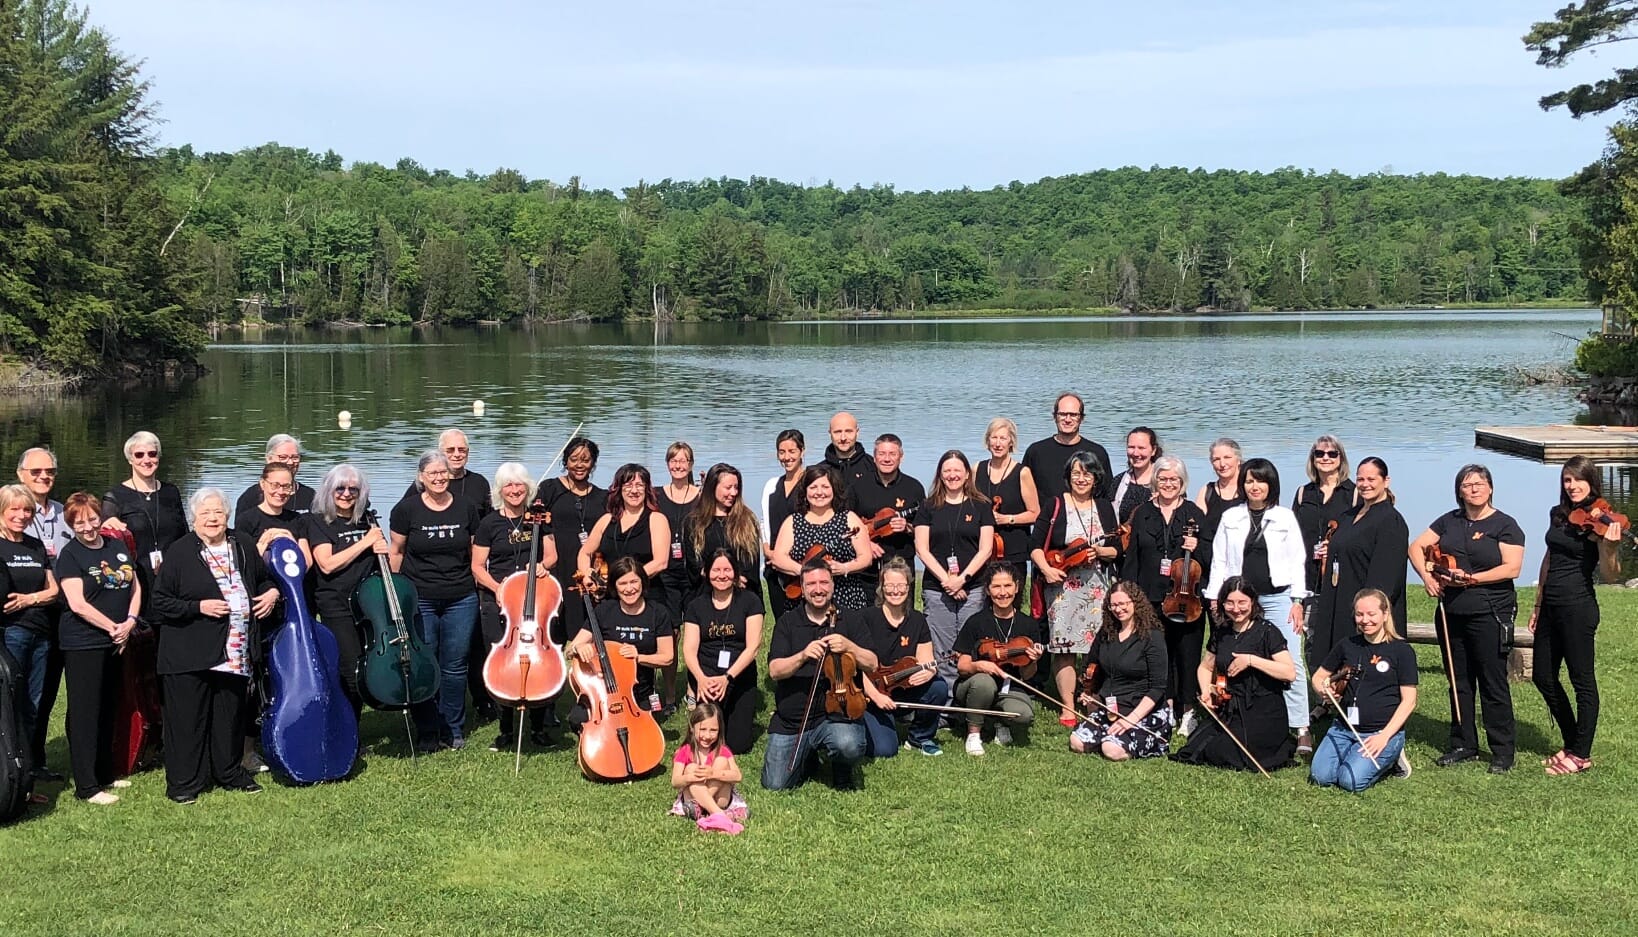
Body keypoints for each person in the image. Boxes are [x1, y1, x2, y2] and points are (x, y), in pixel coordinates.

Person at [152, 488, 278, 804]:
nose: (212, 518)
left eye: (218, 512)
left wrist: (273, 592)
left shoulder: (242, 544)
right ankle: (184, 783)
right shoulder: (180, 552)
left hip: (235, 651)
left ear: (227, 515)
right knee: (188, 720)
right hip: (189, 652)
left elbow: (263, 579)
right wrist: (198, 607)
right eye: (206, 513)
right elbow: (161, 601)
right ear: (195, 517)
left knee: (229, 717)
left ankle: (229, 772)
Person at [1409, 464, 1525, 773]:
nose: (1473, 489)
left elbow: (1512, 568)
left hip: (1490, 611)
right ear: (1459, 490)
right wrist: (1427, 578)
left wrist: (1473, 579)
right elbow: (1416, 547)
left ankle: (1502, 750)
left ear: (1490, 488)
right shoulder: (1449, 521)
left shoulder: (1504, 524)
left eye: (1479, 483)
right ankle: (1463, 743)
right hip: (1451, 612)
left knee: (1492, 681)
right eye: (1466, 484)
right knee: (1458, 682)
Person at [1204, 457, 1312, 755]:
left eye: (1260, 481)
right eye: (1249, 481)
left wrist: (1298, 600)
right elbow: (1220, 561)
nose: (1254, 486)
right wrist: (1216, 597)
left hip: (1279, 597)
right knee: (1230, 654)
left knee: (1290, 659)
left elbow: (1297, 560)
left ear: (1271, 485)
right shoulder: (1231, 517)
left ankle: (1301, 727)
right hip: (1239, 599)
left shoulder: (1285, 517)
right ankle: (1235, 712)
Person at [1530, 456, 1621, 776]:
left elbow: (1611, 575)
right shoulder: (1559, 514)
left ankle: (1580, 755)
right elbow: (1549, 558)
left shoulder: (1602, 522)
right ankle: (1572, 742)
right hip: (1551, 606)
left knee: (1582, 681)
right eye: (1567, 480)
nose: (1572, 486)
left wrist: (1609, 548)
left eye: (1577, 480)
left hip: (1578, 606)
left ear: (1591, 481)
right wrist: (1538, 604)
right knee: (1542, 675)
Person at [53, 493, 143, 804]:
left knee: (109, 707)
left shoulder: (115, 545)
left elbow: (134, 585)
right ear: (71, 525)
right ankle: (87, 786)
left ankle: (105, 773)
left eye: (92, 519)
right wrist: (111, 627)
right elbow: (77, 603)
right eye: (80, 522)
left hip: (118, 639)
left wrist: (130, 620)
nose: (88, 526)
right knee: (85, 712)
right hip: (84, 642)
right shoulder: (70, 555)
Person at [390, 451, 481, 751]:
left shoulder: (466, 508)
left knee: (455, 666)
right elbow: (397, 553)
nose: (440, 477)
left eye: (443, 472)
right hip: (421, 598)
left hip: (461, 597)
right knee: (424, 663)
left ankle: (453, 728)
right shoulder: (406, 510)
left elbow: (474, 553)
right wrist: (396, 594)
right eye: (433, 473)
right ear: (421, 477)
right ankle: (428, 729)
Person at [760, 561, 877, 791]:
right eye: (811, 584)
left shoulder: (850, 619)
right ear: (802, 589)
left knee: (848, 744)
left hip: (837, 715)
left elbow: (872, 663)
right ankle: (809, 757)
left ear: (833, 585)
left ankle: (841, 769)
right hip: (794, 721)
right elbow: (774, 670)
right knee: (775, 784)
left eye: (824, 582)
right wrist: (802, 656)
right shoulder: (787, 622)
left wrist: (850, 646)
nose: (818, 589)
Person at [471, 462, 559, 751]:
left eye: (519, 484)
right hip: (499, 603)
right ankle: (505, 730)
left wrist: (543, 567)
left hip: (534, 602)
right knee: (501, 664)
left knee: (538, 661)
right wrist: (500, 590)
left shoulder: (540, 519)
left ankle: (538, 728)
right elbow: (477, 566)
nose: (515, 490)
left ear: (528, 488)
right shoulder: (489, 524)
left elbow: (551, 555)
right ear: (499, 490)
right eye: (508, 485)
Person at [1122, 455, 1211, 734]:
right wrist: (1130, 594)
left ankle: (1188, 710)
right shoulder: (1143, 513)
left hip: (1187, 598)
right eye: (1162, 478)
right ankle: (1166, 706)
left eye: (1174, 479)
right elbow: (1133, 557)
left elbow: (1211, 557)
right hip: (1151, 596)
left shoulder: (1194, 513)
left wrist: (1196, 546)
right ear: (1154, 481)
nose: (1168, 484)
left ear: (1182, 482)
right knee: (1160, 654)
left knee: (1187, 654)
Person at [1029, 452, 1119, 726]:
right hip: (1062, 585)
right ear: (1068, 477)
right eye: (1076, 474)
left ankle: (1091, 697)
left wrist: (1101, 551)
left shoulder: (1104, 507)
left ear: (1096, 479)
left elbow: (1117, 549)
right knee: (1065, 646)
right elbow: (1035, 546)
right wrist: (1046, 570)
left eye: (1087, 474)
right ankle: (1068, 705)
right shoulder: (1055, 505)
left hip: (1097, 586)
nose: (1081, 479)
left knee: (1098, 646)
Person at [1171, 577, 1297, 772]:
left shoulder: (1268, 631)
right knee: (1196, 745)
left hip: (1263, 710)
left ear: (1253, 602)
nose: (1236, 609)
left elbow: (1289, 672)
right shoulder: (1222, 632)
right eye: (1230, 602)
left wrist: (1251, 660)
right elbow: (1205, 667)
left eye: (1242, 602)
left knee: (1225, 751)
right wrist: (1205, 691)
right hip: (1230, 707)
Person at [1310, 588, 1418, 793]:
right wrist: (1323, 691)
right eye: (1360, 614)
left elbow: (1409, 701)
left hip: (1380, 732)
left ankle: (1393, 756)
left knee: (1350, 781)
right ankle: (1353, 752)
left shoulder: (1402, 651)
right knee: (1320, 777)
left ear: (1385, 614)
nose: (1365, 620)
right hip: (1344, 728)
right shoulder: (1347, 645)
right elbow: (1318, 677)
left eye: (1371, 614)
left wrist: (1384, 736)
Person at [1308, 457, 1407, 674]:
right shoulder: (1348, 515)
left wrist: (1369, 611)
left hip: (1365, 601)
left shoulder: (1390, 520)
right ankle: (1329, 699)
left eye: (1371, 479)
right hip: (1339, 596)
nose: (1365, 484)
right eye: (1360, 479)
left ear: (1386, 481)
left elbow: (1387, 575)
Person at [301, 464, 381, 717]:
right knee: (350, 668)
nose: (346, 494)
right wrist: (366, 543)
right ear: (328, 490)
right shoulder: (319, 522)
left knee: (366, 664)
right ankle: (346, 728)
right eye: (340, 488)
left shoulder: (366, 520)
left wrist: (380, 547)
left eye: (353, 490)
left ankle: (355, 725)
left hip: (368, 604)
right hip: (337, 604)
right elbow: (326, 564)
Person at [914, 450, 996, 693]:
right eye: (947, 470)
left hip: (974, 585)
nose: (952, 475)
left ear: (967, 474)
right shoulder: (928, 506)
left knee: (969, 644)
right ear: (940, 473)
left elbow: (985, 548)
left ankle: (969, 695)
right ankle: (947, 701)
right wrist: (947, 581)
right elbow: (922, 548)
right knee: (942, 646)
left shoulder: (981, 506)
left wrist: (962, 579)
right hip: (937, 588)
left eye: (957, 470)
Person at [0, 484, 59, 792]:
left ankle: (31, 767)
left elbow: (54, 590)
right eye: (15, 510)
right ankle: (8, 768)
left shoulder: (36, 546)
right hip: (10, 633)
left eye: (27, 511)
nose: (21, 516)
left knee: (34, 704)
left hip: (40, 634)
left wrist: (28, 599)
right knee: (10, 703)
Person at [16, 447, 70, 782]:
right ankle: (15, 762)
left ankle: (36, 760)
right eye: (36, 472)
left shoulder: (64, 513)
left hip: (61, 615)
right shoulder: (10, 511)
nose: (43, 477)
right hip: (22, 618)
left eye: (49, 471)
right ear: (21, 474)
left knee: (46, 691)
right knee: (19, 692)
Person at [1070, 581, 1171, 761]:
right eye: (1113, 605)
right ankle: (1111, 737)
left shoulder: (1152, 636)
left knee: (1111, 750)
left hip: (1143, 709)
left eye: (1123, 604)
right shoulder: (1107, 633)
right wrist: (1088, 692)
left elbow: (1158, 688)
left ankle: (1147, 740)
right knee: (1077, 742)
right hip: (1112, 707)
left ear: (1135, 603)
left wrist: (1130, 720)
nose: (1118, 609)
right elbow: (1091, 665)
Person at [565, 557, 675, 721]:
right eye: (622, 583)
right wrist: (578, 648)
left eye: (634, 582)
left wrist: (638, 657)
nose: (629, 589)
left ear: (643, 583)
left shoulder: (658, 613)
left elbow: (667, 658)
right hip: (604, 689)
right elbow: (570, 649)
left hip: (639, 692)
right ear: (614, 587)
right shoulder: (604, 611)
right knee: (577, 719)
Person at [859, 558, 948, 757]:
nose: (895, 591)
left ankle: (920, 737)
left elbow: (926, 659)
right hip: (871, 692)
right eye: (890, 585)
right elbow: (855, 666)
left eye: (901, 585)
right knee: (884, 750)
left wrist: (928, 671)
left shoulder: (917, 620)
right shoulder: (866, 618)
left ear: (908, 587)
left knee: (938, 687)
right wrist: (876, 696)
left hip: (902, 688)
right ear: (882, 587)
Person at [952, 564, 1041, 755]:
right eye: (996, 587)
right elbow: (962, 666)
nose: (1003, 593)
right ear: (987, 589)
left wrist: (1033, 660)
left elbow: (1027, 675)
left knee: (1023, 715)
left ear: (1017, 587)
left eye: (1008, 586)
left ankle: (999, 722)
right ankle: (974, 733)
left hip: (1010, 687)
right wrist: (978, 665)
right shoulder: (976, 621)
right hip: (974, 685)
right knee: (984, 682)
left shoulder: (1029, 625)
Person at [680, 550, 763, 754]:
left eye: (727, 569)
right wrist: (700, 679)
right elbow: (689, 649)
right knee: (705, 740)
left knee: (738, 746)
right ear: (706, 573)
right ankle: (701, 707)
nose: (722, 575)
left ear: (735, 573)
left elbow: (753, 647)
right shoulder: (695, 605)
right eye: (716, 570)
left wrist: (727, 677)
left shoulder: (750, 601)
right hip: (706, 678)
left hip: (738, 675)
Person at [534, 436, 606, 646]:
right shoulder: (549, 489)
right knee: (554, 628)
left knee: (586, 628)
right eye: (574, 459)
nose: (580, 465)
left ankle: (582, 675)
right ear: (565, 461)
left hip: (587, 569)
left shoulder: (602, 497)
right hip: (558, 565)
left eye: (586, 459)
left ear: (593, 463)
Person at [771, 465, 874, 611]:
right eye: (813, 487)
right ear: (805, 491)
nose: (819, 493)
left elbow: (866, 557)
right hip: (805, 597)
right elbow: (778, 558)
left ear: (834, 489)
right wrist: (805, 572)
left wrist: (844, 568)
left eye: (825, 487)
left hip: (845, 594)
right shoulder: (792, 522)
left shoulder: (849, 519)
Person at [578, 464, 670, 609]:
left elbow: (660, 562)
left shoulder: (657, 519)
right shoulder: (606, 520)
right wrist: (587, 573)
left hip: (647, 597)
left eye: (639, 485)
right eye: (628, 485)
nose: (634, 491)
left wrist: (627, 582)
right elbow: (585, 552)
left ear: (646, 490)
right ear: (619, 489)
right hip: (609, 599)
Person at [100, 431, 187, 584]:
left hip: (173, 575)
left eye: (152, 454)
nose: (146, 460)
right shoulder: (115, 497)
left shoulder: (171, 492)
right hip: (136, 577)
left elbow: (184, 534)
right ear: (130, 459)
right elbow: (106, 540)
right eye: (139, 455)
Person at [683, 463, 762, 601]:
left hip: (742, 594)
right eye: (728, 488)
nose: (734, 493)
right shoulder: (694, 522)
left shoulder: (747, 520)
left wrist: (733, 579)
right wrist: (718, 579)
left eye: (736, 487)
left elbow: (751, 562)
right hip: (705, 595)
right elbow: (693, 564)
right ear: (713, 487)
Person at [974, 417, 1040, 580]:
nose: (998, 443)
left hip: (1013, 550)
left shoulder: (1022, 472)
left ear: (1011, 442)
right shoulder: (977, 469)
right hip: (981, 547)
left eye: (1003, 438)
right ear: (987, 441)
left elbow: (1035, 513)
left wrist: (1007, 519)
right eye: (994, 438)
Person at [852, 434, 925, 578]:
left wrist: (907, 528)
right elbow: (847, 523)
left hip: (902, 565)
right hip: (867, 567)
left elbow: (924, 529)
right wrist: (866, 544)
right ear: (874, 457)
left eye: (892, 454)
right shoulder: (858, 486)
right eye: (882, 454)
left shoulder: (914, 488)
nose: (887, 459)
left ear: (901, 457)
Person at [1292, 434, 1356, 599]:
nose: (1325, 458)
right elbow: (1293, 535)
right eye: (1319, 454)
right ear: (1313, 459)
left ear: (1341, 458)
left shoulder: (1354, 493)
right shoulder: (1303, 493)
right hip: (1306, 573)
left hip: (1340, 573)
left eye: (1332, 454)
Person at [669, 701, 747, 834]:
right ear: (692, 728)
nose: (707, 735)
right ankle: (720, 815)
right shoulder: (685, 751)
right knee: (691, 768)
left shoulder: (722, 750)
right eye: (703, 729)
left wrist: (713, 774)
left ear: (719, 730)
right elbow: (675, 781)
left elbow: (737, 776)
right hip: (693, 798)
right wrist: (690, 777)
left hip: (718, 799)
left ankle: (708, 810)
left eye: (713, 730)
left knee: (722, 762)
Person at [1021, 392, 1112, 505]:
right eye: (1063, 414)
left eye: (1073, 415)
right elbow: (1023, 491)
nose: (1068, 419)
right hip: (1045, 520)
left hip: (1085, 519)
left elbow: (1106, 494)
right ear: (1055, 417)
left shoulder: (1097, 453)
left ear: (1081, 418)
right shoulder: (1036, 452)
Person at [760, 429, 807, 620]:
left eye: (792, 451)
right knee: (782, 622)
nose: (787, 457)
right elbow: (763, 521)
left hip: (802, 563)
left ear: (802, 451)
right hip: (774, 565)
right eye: (782, 452)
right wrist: (766, 549)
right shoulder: (772, 485)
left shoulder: (812, 483)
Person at [653, 441, 700, 620]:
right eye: (673, 461)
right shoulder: (656, 496)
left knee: (694, 622)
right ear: (667, 464)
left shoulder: (702, 497)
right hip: (665, 570)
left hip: (692, 571)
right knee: (668, 624)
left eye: (683, 461)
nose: (678, 466)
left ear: (690, 464)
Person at [400, 429, 491, 516]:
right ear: (440, 453)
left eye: (461, 450)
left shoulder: (479, 482)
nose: (456, 455)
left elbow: (490, 519)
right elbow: (400, 515)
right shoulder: (427, 482)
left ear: (468, 452)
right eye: (450, 450)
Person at [235, 462, 311, 561]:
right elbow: (243, 561)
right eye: (275, 485)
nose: (281, 492)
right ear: (262, 484)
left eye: (287, 486)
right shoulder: (246, 520)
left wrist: (290, 539)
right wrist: (264, 542)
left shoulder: (297, 519)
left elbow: (307, 563)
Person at [234, 435, 315, 518]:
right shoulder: (251, 497)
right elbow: (241, 529)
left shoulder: (310, 496)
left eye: (295, 457)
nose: (290, 462)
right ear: (269, 459)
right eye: (283, 457)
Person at [1193, 438, 1244, 560]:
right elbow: (1196, 526)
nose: (1222, 464)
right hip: (1212, 559)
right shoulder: (1207, 491)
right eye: (1216, 459)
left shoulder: (1249, 489)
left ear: (1238, 459)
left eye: (1227, 457)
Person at [822, 411, 874, 511]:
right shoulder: (820, 470)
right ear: (830, 433)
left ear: (857, 432)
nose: (843, 438)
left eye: (848, 431)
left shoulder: (872, 466)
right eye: (837, 432)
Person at [1110, 427, 1161, 524]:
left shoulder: (1167, 481)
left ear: (1153, 450)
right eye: (1131, 447)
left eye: (1141, 448)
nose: (1136, 453)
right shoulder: (1118, 482)